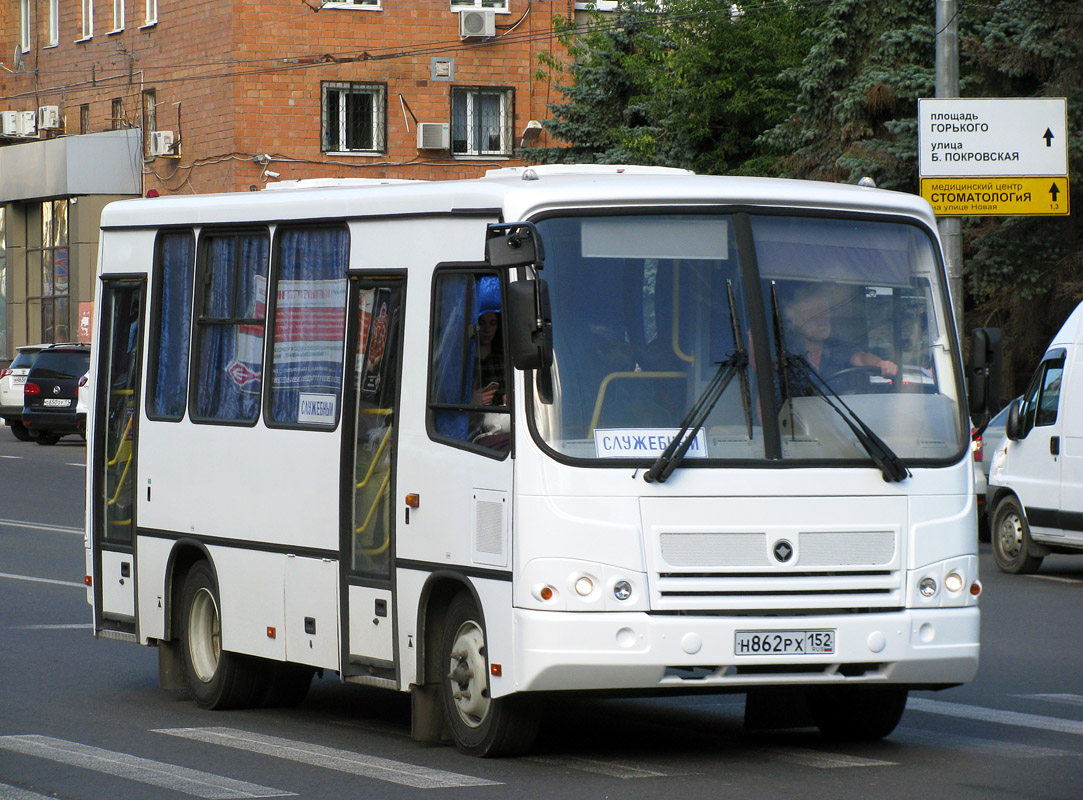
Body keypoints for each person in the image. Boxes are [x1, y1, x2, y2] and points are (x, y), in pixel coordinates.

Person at [784, 284, 897, 382]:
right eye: (812, 314)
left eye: (825, 312)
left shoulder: (838, 347)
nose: (822, 319)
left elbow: (861, 359)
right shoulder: (786, 351)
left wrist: (880, 365)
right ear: (794, 321)